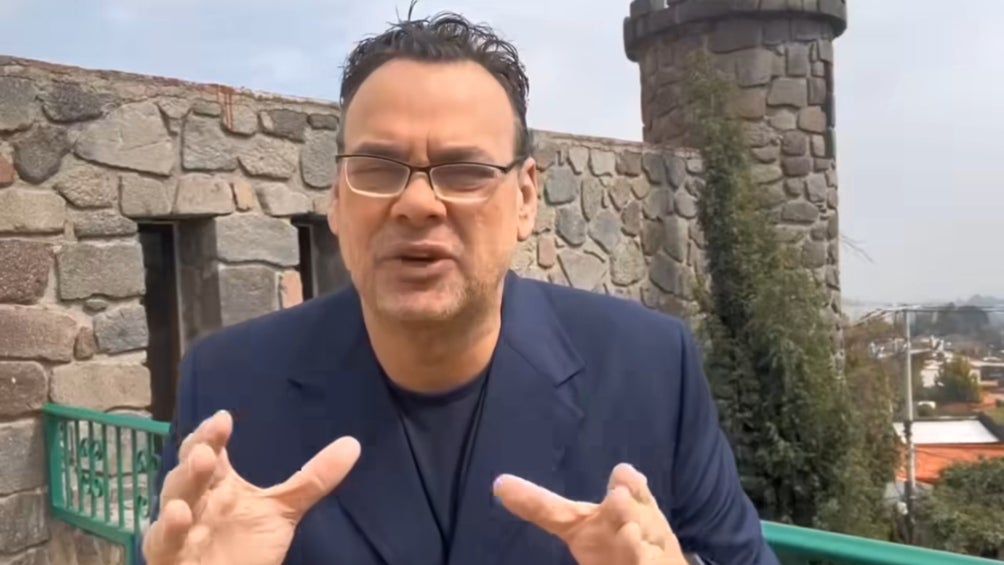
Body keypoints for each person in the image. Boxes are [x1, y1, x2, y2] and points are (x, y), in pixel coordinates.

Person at [138, 11, 780, 565]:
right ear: (335, 198)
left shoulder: (649, 370)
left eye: (464, 170)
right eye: (377, 168)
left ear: (525, 198)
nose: (417, 203)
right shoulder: (229, 392)